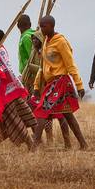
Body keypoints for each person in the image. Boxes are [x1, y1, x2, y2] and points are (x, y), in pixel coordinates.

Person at [0, 28, 41, 150]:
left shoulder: (1, 51)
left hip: (5, 90)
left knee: (14, 119)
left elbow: (4, 70)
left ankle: (31, 145)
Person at [30, 15, 88, 150]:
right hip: (51, 83)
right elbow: (43, 67)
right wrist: (37, 86)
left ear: (51, 26)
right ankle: (83, 144)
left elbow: (70, 64)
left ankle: (35, 145)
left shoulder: (60, 42)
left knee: (42, 110)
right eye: (40, 26)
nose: (41, 29)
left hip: (61, 82)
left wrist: (79, 85)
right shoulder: (45, 42)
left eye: (44, 26)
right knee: (67, 114)